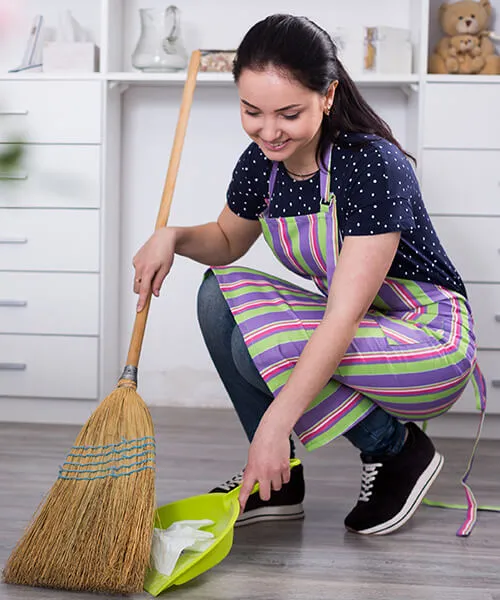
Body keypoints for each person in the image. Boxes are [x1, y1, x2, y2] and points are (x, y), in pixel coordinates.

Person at [133, 14, 486, 536]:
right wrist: (175, 237)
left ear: (327, 95)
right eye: (251, 111)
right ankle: (280, 483)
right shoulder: (263, 164)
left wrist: (274, 426)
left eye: (289, 114)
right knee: (218, 296)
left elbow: (343, 315)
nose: (269, 130)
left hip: (428, 337)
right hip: (366, 329)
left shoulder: (369, 164)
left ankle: (397, 450)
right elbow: (228, 243)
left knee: (263, 342)